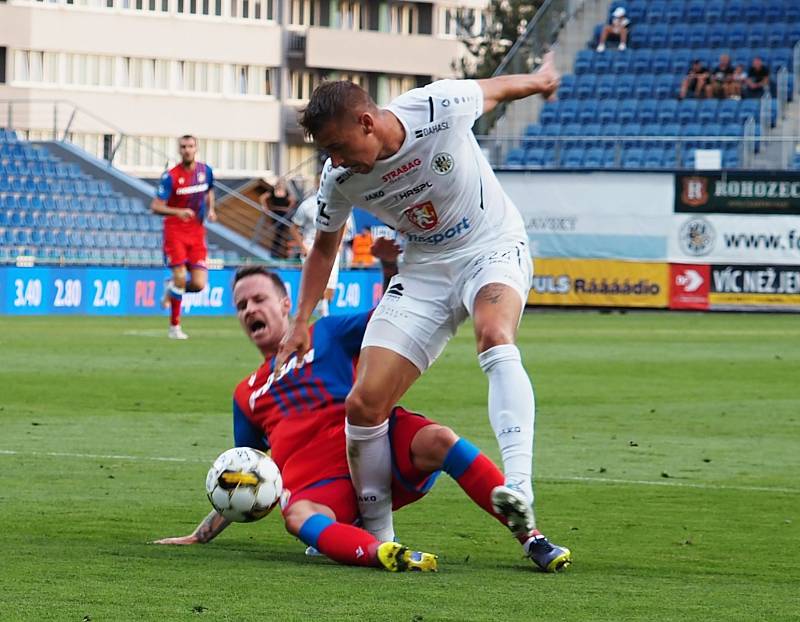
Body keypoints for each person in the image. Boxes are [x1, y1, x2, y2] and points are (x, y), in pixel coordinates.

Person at [275, 52, 562, 550]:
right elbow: (324, 247)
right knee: (364, 404)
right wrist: (299, 320)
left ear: (367, 122)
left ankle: (518, 484)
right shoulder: (339, 179)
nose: (335, 160)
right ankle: (381, 536)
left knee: (494, 335)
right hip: (424, 269)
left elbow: (495, 89)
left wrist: (540, 81)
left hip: (490, 245)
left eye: (338, 147)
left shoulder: (437, 106)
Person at [153, 266, 571, 573]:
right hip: (317, 479)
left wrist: (392, 270)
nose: (249, 310)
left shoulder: (328, 333)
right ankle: (383, 553)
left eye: (258, 299)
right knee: (297, 516)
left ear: (286, 304)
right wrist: (202, 533)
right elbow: (249, 471)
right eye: (241, 305)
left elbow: (394, 317)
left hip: (374, 439)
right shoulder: (246, 393)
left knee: (439, 439)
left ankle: (532, 539)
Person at [151, 135, 216, 340]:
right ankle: (174, 327)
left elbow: (210, 191)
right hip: (175, 231)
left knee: (198, 284)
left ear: (196, 148)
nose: (187, 150)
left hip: (197, 233)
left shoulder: (206, 172)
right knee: (180, 276)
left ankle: (172, 289)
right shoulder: (171, 176)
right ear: (179, 150)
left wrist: (211, 210)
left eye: (190, 146)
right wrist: (177, 212)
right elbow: (155, 206)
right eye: (183, 147)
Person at [291, 185, 342, 317]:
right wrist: (303, 247)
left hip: (332, 247)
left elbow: (345, 225)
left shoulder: (340, 202)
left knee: (331, 289)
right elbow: (294, 227)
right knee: (315, 284)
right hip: (311, 247)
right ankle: (321, 315)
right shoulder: (307, 205)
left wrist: (339, 243)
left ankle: (321, 312)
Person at [259, 176, 297, 259]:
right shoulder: (273, 191)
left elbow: (293, 200)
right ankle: (275, 253)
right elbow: (262, 198)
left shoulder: (286, 192)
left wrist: (288, 208)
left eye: (282, 183)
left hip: (284, 214)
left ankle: (282, 254)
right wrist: (265, 207)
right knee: (278, 232)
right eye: (279, 183)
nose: (280, 184)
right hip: (275, 213)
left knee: (283, 233)